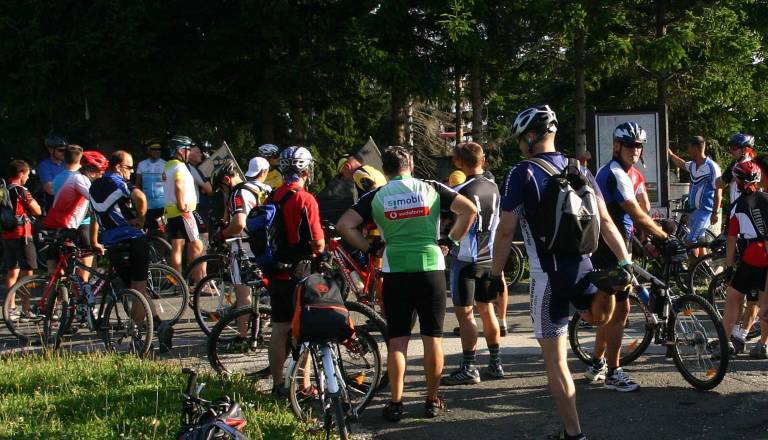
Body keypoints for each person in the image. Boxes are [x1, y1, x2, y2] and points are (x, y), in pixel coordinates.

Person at [489, 105, 633, 440]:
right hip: (584, 267)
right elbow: (606, 222)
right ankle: (606, 289)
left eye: (520, 140)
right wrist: (625, 262)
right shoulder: (580, 168)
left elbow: (505, 231)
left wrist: (493, 275)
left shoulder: (521, 173)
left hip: (547, 278)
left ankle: (573, 433)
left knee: (556, 363)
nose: (519, 146)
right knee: (597, 318)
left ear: (530, 137)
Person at [337, 146, 478, 421]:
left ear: (385, 170)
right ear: (411, 165)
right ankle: (432, 400)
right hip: (430, 269)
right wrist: (450, 241)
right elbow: (469, 210)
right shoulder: (430, 187)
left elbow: (345, 225)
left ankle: (396, 403)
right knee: (432, 339)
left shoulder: (377, 195)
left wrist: (370, 248)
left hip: (395, 271)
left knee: (398, 341)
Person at [588, 122, 671, 392]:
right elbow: (635, 212)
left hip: (620, 244)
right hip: (608, 248)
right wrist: (664, 237)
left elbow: (643, 207)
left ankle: (597, 363)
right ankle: (614, 372)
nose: (635, 150)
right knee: (619, 310)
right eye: (629, 145)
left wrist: (652, 233)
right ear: (616, 146)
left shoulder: (630, 173)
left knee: (610, 309)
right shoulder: (613, 173)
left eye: (638, 145)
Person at [89, 150, 173, 351]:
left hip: (113, 244)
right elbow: (140, 197)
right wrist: (141, 220)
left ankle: (157, 325)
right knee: (138, 291)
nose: (132, 171)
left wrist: (93, 241)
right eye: (129, 167)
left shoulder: (94, 186)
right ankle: (141, 337)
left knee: (133, 291)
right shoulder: (118, 182)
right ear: (118, 167)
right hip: (133, 240)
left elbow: (94, 217)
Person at [440, 142, 504, 387]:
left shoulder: (460, 190)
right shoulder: (494, 187)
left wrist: (448, 240)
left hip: (466, 260)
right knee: (487, 311)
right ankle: (495, 362)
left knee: (465, 314)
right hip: (489, 257)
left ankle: (469, 367)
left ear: (458, 163)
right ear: (483, 160)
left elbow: (451, 221)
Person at [267, 146, 325, 396]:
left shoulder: (273, 196)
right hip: (300, 272)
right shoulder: (305, 199)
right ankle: (303, 386)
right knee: (303, 330)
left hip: (276, 270)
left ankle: (278, 385)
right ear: (306, 170)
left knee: (279, 329)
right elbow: (317, 243)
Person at [211, 160, 268, 346]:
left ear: (227, 180)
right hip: (266, 246)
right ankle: (259, 330)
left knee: (243, 294)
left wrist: (222, 235)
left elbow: (239, 223)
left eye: (222, 188)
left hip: (244, 247)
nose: (223, 192)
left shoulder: (238, 193)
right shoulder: (262, 188)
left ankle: (242, 337)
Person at [720, 160, 767, 358]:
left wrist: (728, 267)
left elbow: (731, 239)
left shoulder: (737, 206)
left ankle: (725, 343)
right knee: (764, 302)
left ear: (738, 181)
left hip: (753, 256)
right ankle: (763, 345)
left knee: (733, 298)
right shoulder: (767, 198)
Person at [667, 136, 722, 255]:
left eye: (689, 147)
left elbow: (719, 190)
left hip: (704, 211)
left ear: (695, 148)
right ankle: (704, 265)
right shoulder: (693, 165)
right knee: (700, 239)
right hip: (694, 210)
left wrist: (715, 213)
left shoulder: (712, 167)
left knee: (690, 242)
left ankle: (693, 266)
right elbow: (682, 164)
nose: (687, 150)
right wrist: (671, 155)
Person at [3, 160, 42, 321]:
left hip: (7, 235)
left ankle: (10, 308)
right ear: (20, 174)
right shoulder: (21, 190)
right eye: (26, 174)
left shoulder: (4, 189)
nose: (28, 177)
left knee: (12, 272)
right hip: (23, 235)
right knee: (28, 273)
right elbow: (37, 210)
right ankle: (26, 310)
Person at [49, 145, 95, 280]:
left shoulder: (57, 178)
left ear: (64, 158)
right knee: (83, 274)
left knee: (66, 267)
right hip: (82, 225)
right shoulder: (81, 178)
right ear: (80, 160)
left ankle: (63, 291)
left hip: (63, 225)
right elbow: (92, 199)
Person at [163, 135, 204, 284]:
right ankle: (200, 282)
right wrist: (181, 205)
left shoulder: (167, 166)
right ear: (180, 150)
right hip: (183, 211)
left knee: (177, 247)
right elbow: (179, 185)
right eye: (188, 149)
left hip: (171, 212)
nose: (190, 152)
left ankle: (177, 283)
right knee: (197, 245)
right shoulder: (180, 166)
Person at [716, 133, 756, 208]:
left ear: (746, 149)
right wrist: (725, 177)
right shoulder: (734, 165)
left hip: (748, 210)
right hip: (735, 209)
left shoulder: (754, 166)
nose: (731, 151)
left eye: (734, 148)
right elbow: (718, 184)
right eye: (730, 147)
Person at [135, 139, 166, 232]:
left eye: (159, 149)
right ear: (149, 150)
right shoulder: (142, 164)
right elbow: (138, 184)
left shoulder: (165, 164)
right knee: (148, 230)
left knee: (162, 230)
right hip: (147, 204)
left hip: (162, 205)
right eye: (154, 149)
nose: (157, 151)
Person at [187, 144, 214, 250]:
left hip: (183, 207)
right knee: (203, 236)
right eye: (197, 152)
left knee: (189, 240)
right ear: (189, 155)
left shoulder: (180, 167)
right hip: (195, 207)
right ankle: (203, 258)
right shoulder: (191, 168)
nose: (201, 154)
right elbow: (209, 190)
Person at [37, 135, 67, 211]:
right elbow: (50, 189)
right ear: (50, 150)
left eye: (65, 150)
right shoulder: (44, 165)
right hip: (54, 207)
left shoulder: (68, 163)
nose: (64, 153)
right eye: (60, 150)